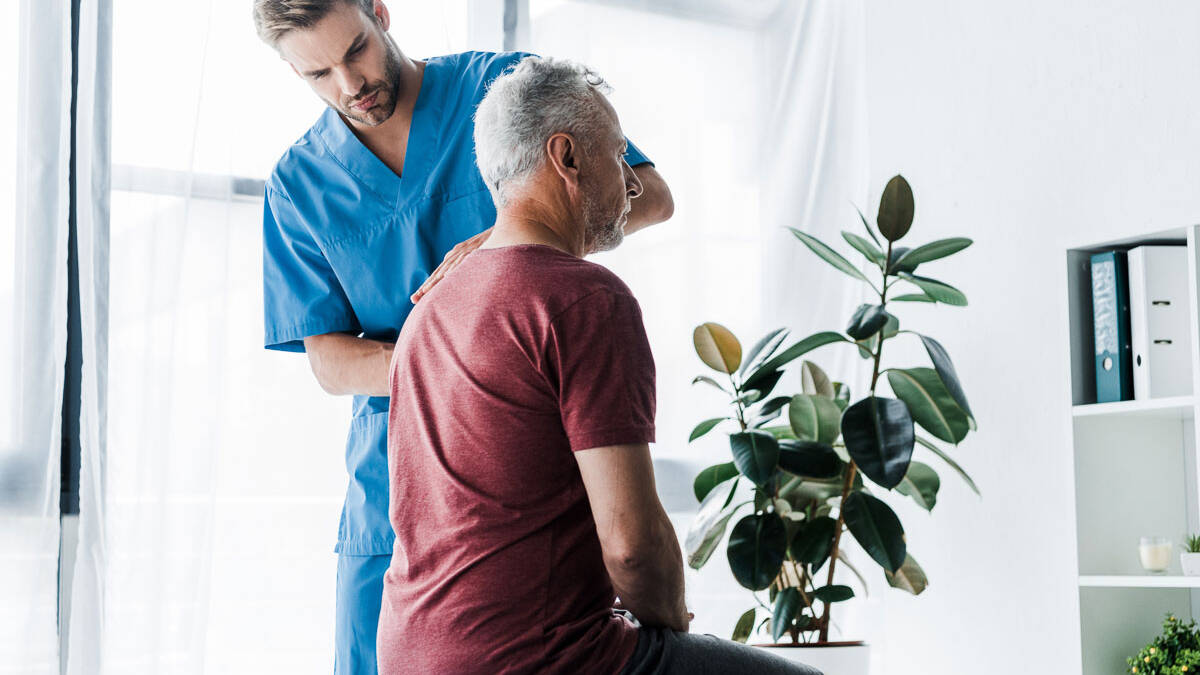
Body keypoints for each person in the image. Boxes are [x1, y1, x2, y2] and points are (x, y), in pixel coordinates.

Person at [252, 1, 674, 672]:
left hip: (524, 473)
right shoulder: (299, 184)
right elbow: (330, 360)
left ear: (380, 13)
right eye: (318, 74)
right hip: (388, 491)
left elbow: (647, 193)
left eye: (356, 50)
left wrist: (502, 242)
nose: (348, 84)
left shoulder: (502, 91)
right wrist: (453, 361)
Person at [379, 56, 821, 675]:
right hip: (537, 662)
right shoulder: (586, 298)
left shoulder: (430, 308)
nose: (633, 183)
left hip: (409, 653)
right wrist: (674, 628)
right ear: (567, 157)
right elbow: (634, 549)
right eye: (618, 156)